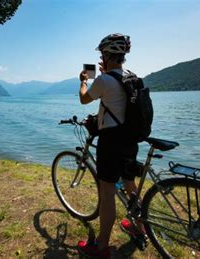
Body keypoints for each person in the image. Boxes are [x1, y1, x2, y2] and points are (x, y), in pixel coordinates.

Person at [77, 33, 144, 258]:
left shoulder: (104, 80)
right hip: (130, 139)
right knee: (129, 184)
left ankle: (102, 248)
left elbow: (84, 99)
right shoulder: (131, 76)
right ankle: (139, 228)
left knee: (107, 193)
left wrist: (84, 80)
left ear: (106, 54)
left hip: (111, 141)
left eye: (102, 54)